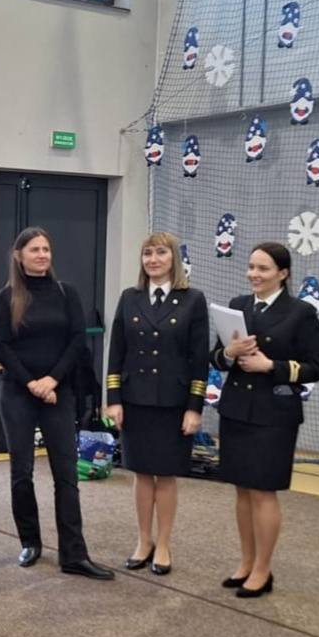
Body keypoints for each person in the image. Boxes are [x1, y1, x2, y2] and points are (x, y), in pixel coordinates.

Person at [0, 226, 114, 580]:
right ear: (19, 256)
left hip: (58, 392)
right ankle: (30, 541)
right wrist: (32, 382)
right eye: (35, 249)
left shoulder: (66, 293)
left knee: (66, 474)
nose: (42, 255)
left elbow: (77, 341)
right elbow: (2, 346)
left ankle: (74, 554)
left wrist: (51, 380)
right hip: (18, 392)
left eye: (46, 249)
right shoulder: (7, 296)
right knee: (22, 473)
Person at [211, 242, 319, 598]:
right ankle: (246, 562)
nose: (254, 274)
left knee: (263, 491)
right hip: (236, 410)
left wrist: (270, 366)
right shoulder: (238, 305)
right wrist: (229, 353)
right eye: (251, 267)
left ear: (283, 273)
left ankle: (263, 569)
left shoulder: (301, 313)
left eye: (263, 268)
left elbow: (315, 367)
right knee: (242, 490)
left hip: (274, 414)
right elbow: (215, 358)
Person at [105, 232, 208, 575]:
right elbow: (116, 352)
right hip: (135, 400)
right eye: (147, 253)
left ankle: (163, 543)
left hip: (172, 403)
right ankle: (143, 540)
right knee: (141, 473)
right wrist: (114, 399)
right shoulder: (130, 297)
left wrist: (194, 407)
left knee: (165, 475)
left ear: (173, 258)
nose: (153, 259)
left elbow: (198, 360)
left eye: (161, 253)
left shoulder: (192, 300)